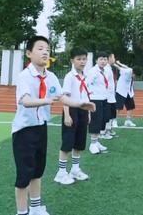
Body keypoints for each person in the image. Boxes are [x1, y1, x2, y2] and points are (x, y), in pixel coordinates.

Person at [12, 36, 95, 215]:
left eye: (47, 50)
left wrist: (80, 104)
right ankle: (22, 212)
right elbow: (25, 101)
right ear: (29, 53)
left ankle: (35, 208)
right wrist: (47, 100)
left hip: (41, 127)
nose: (45, 52)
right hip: (24, 131)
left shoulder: (50, 76)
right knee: (24, 176)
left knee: (38, 171)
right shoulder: (24, 76)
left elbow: (62, 97)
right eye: (40, 48)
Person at [55, 47, 93, 185]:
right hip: (71, 110)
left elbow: (86, 95)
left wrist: (88, 112)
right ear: (72, 60)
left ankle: (75, 169)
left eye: (84, 59)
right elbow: (64, 96)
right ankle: (61, 172)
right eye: (79, 59)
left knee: (79, 143)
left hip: (82, 110)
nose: (82, 62)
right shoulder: (69, 77)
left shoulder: (85, 76)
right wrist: (66, 115)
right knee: (67, 143)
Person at [113, 60, 137, 127]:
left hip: (129, 92)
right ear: (133, 72)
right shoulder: (126, 72)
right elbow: (120, 68)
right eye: (134, 74)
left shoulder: (130, 69)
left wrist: (119, 63)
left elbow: (125, 66)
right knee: (118, 107)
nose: (134, 76)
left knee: (131, 106)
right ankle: (114, 121)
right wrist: (114, 64)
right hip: (121, 91)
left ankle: (128, 121)